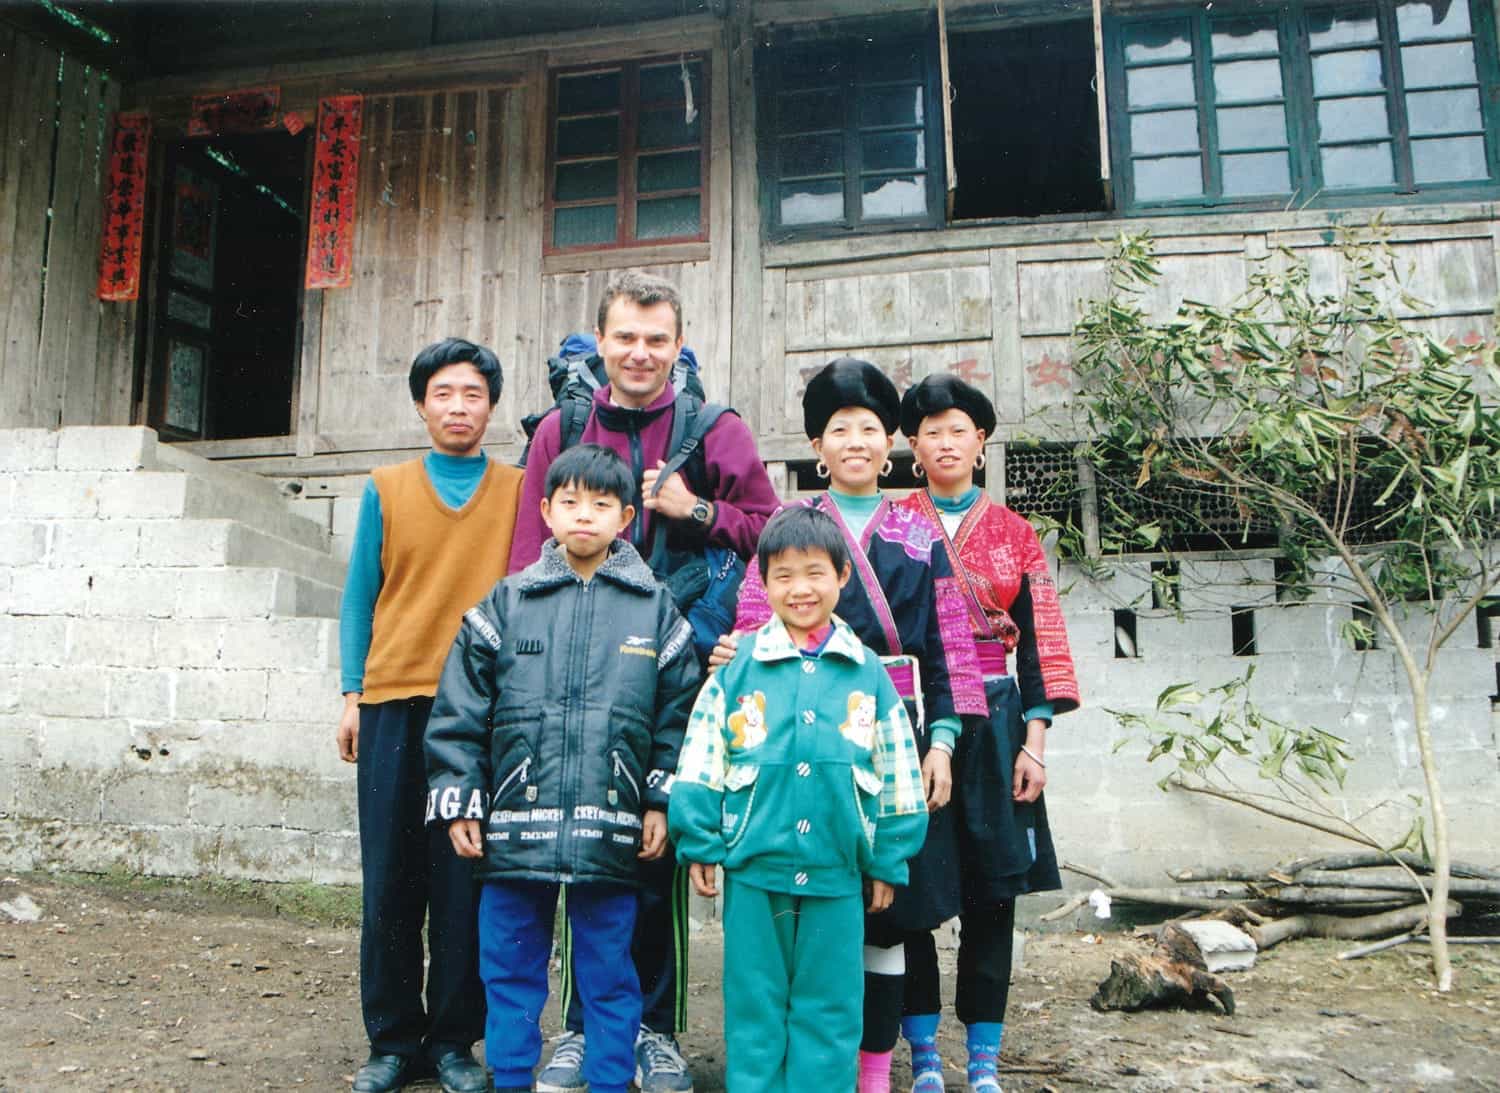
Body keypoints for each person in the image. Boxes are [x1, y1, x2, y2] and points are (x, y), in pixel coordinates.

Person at [511, 271, 780, 1093]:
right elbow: (527, 551)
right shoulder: (562, 427)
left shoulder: (714, 428)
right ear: (601, 341)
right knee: (576, 847)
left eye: (656, 338)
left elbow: (774, 532)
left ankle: (654, 1029)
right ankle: (584, 1028)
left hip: (679, 666)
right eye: (625, 336)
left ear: (677, 343)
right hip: (573, 674)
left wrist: (695, 510)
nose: (639, 353)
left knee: (654, 847)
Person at [716, 358, 988, 1093]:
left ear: (890, 442)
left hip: (893, 736)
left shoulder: (920, 531)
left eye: (870, 427)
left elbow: (952, 647)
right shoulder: (792, 529)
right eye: (841, 429)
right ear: (817, 444)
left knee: (889, 909)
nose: (857, 441)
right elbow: (750, 630)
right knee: (814, 912)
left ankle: (871, 1071)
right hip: (805, 744)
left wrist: (943, 741)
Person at [424, 444, 702, 1093]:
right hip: (516, 825)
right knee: (510, 967)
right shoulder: (506, 603)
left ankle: (608, 1080)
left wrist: (659, 798)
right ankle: (514, 1077)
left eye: (601, 504)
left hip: (613, 827)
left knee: (610, 969)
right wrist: (462, 797)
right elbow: (460, 706)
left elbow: (678, 712)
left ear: (626, 516)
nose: (585, 516)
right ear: (547, 510)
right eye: (570, 502)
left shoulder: (654, 609)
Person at [669, 506, 929, 1093]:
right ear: (763, 583)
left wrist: (888, 856)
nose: (800, 589)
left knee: (830, 1008)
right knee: (755, 1007)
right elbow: (703, 756)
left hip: (837, 873)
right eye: (783, 575)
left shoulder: (868, 674)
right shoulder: (736, 672)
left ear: (842, 576)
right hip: (754, 871)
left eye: (814, 573)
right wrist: (701, 841)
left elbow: (898, 770)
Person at [336, 338, 524, 1093]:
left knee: (464, 881)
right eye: (443, 392)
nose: (457, 406)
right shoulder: (386, 486)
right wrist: (351, 692)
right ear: (421, 404)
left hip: (481, 712)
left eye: (472, 393)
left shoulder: (517, 490)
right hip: (391, 700)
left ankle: (453, 1041)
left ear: (490, 406)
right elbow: (359, 595)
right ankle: (391, 1040)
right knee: (388, 880)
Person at [896, 374, 1080, 1093]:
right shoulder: (893, 526)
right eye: (931, 430)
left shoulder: (1015, 532)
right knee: (910, 883)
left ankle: (983, 1060)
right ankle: (922, 1057)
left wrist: (1036, 741)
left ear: (980, 441)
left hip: (999, 718)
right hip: (915, 718)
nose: (945, 442)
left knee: (993, 895)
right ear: (912, 445)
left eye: (958, 429)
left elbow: (1040, 642)